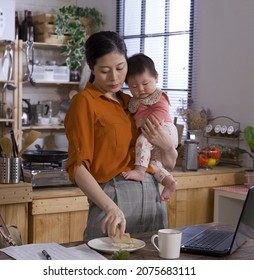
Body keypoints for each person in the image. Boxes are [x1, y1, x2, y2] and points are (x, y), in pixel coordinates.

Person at [64, 31, 178, 240]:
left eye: (120, 68)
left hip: (153, 200)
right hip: (114, 204)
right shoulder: (85, 102)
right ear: (92, 68)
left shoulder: (133, 103)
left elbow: (167, 165)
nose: (114, 77)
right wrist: (111, 208)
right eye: (105, 70)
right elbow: (78, 167)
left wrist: (168, 146)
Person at [121, 54, 179, 201]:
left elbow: (160, 114)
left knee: (142, 141)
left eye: (145, 83)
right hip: (155, 135)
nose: (140, 89)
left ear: (156, 78)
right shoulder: (134, 101)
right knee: (154, 165)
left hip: (163, 128)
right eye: (134, 86)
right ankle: (169, 182)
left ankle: (139, 171)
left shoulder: (159, 97)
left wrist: (142, 122)